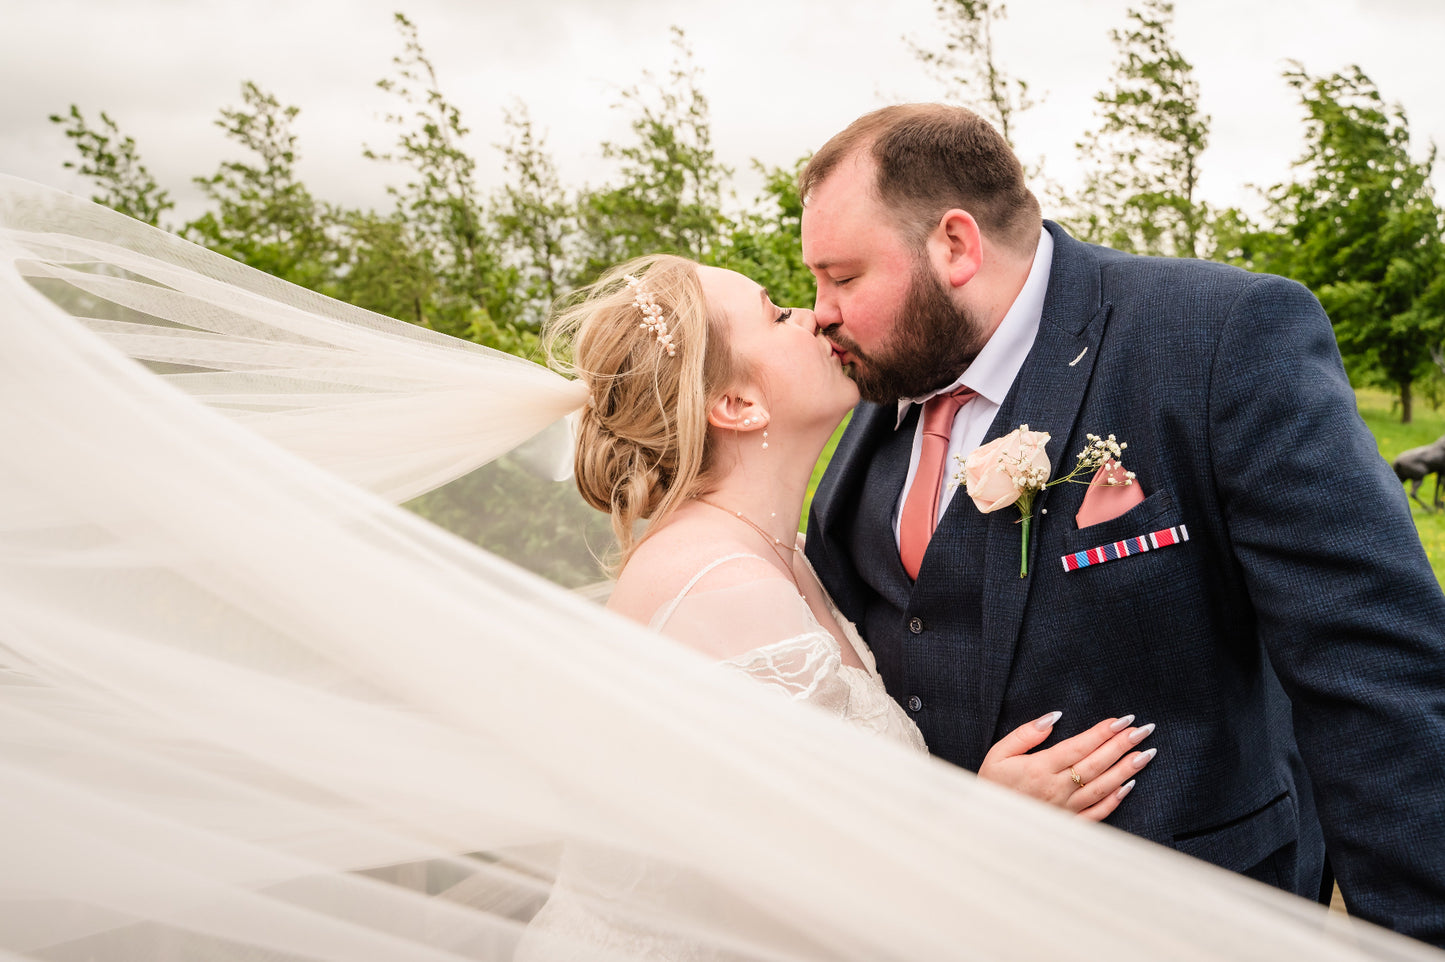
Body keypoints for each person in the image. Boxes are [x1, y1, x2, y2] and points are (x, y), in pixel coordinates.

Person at [796, 103, 1445, 946]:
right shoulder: (890, 379)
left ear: (954, 245)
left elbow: (1372, 670)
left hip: (1190, 919)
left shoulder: (1221, 340)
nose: (819, 312)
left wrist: (1418, 929)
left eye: (842, 278)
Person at [514, 253, 1158, 956]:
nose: (813, 315)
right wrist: (991, 815)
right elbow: (801, 903)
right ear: (736, 405)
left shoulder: (776, 555)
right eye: (774, 313)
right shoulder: (721, 589)